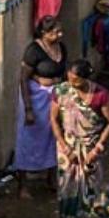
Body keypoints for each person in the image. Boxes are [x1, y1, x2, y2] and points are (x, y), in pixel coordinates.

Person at [51, 58, 109, 218]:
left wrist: (96, 149)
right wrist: (64, 146)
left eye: (76, 81)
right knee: (66, 189)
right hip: (67, 146)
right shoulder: (61, 91)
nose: (72, 84)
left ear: (86, 78)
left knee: (91, 188)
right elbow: (54, 120)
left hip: (91, 147)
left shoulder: (100, 95)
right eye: (69, 78)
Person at [16, 16, 66, 193]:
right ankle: (23, 185)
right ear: (44, 33)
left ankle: (51, 178)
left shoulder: (61, 47)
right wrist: (29, 109)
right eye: (55, 32)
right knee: (28, 139)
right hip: (35, 99)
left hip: (53, 98)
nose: (60, 34)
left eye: (60, 31)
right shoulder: (33, 50)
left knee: (53, 136)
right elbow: (23, 78)